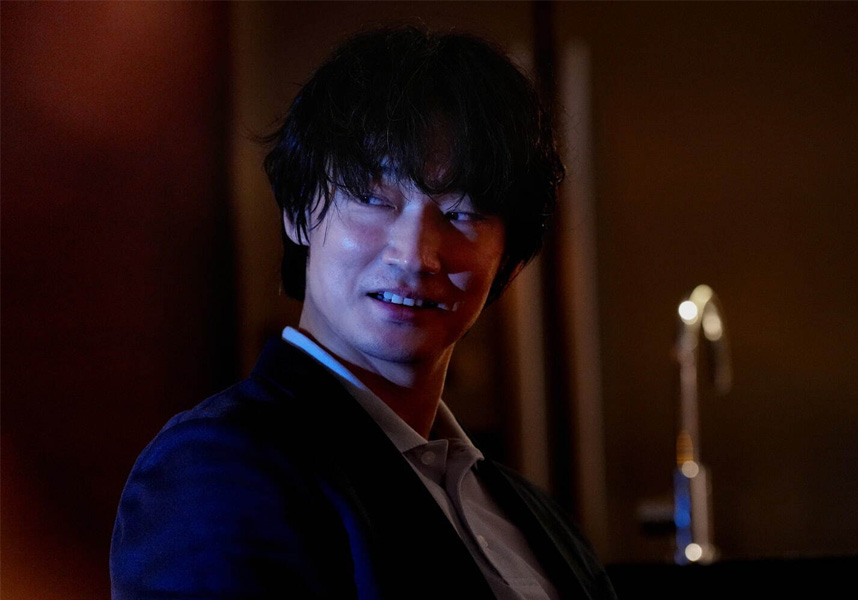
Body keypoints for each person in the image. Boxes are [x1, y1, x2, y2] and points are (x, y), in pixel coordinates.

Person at [110, 26, 617, 600]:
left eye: (462, 214)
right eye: (375, 199)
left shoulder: (534, 516)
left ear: (511, 261)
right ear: (299, 212)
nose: (415, 255)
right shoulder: (217, 468)